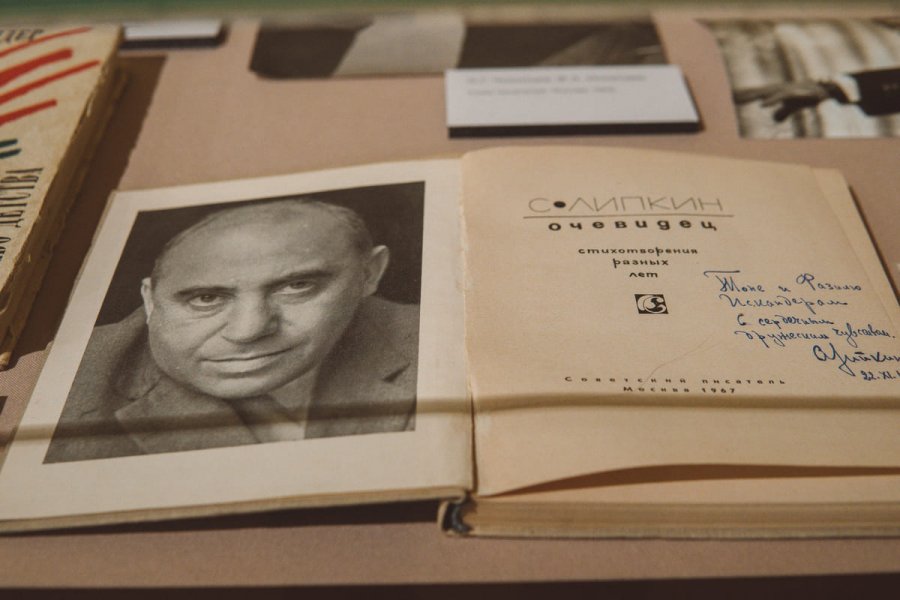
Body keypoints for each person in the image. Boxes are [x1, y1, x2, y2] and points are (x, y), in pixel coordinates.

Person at [45, 199, 419, 462]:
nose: (248, 331)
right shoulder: (60, 392)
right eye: (206, 298)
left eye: (297, 286)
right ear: (150, 300)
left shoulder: (432, 340)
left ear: (369, 273)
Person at [733, 67, 900, 122]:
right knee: (764, 93)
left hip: (842, 89)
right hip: (842, 89)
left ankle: (818, 92)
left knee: (764, 93)